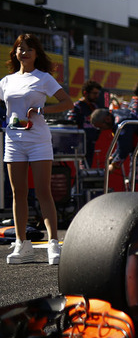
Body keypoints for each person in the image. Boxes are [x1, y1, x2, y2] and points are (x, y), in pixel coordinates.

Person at [0, 33, 72, 265]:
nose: (24, 52)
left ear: (36, 53)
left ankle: (53, 244)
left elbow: (67, 102)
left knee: (42, 191)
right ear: (15, 52)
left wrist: (41, 112)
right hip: (13, 141)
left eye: (29, 48)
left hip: (38, 140)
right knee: (18, 192)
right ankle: (22, 244)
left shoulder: (43, 78)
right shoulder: (6, 81)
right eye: (20, 48)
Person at [90, 107, 138, 192]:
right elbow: (121, 144)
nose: (102, 130)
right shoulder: (118, 113)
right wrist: (113, 156)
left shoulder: (120, 123)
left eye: (101, 127)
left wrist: (114, 164)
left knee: (137, 179)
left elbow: (125, 146)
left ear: (107, 119)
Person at [67, 80, 102, 167]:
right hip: (79, 146)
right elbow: (71, 125)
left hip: (92, 144)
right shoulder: (77, 107)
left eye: (98, 93)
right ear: (85, 93)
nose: (97, 96)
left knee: (89, 169)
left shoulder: (95, 107)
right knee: (81, 171)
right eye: (94, 93)